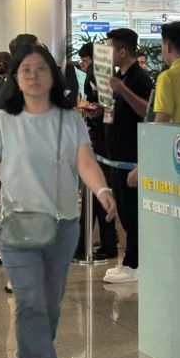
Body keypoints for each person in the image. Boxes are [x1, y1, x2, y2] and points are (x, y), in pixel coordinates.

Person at [0, 45, 117, 358]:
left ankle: (32, 354)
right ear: (15, 78)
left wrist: (101, 189)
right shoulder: (2, 121)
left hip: (63, 224)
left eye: (41, 69)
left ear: (53, 76)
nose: (33, 75)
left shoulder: (70, 121)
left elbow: (84, 160)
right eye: (26, 70)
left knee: (50, 302)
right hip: (17, 225)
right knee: (30, 299)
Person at [102, 28, 152, 284]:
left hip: (131, 158)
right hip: (117, 157)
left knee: (132, 213)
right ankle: (130, 262)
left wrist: (122, 89)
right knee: (125, 211)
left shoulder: (138, 79)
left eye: (110, 48)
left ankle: (135, 264)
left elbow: (147, 111)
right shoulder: (119, 77)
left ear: (122, 51)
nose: (107, 53)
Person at [75, 42, 118, 261]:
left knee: (95, 194)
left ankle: (88, 245)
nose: (82, 64)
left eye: (84, 60)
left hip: (100, 143)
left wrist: (89, 109)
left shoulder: (97, 73)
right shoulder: (108, 71)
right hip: (105, 143)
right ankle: (101, 243)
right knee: (98, 196)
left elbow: (102, 106)